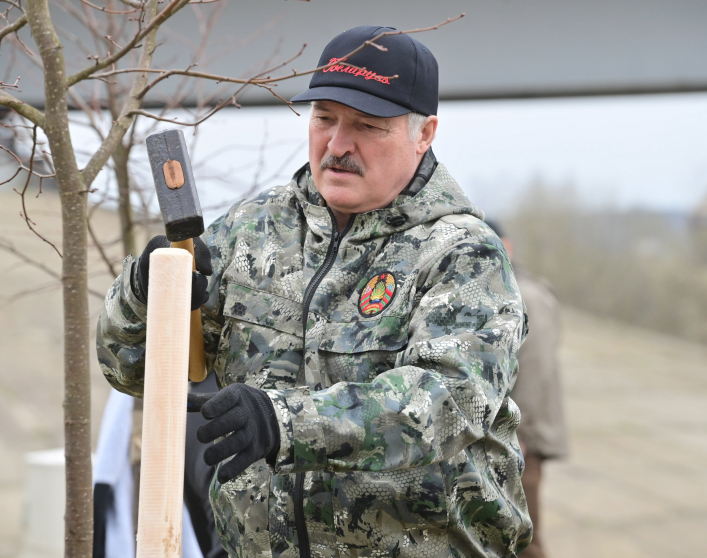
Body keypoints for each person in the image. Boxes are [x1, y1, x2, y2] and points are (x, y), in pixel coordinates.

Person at [97, 26, 532, 558]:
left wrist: (283, 422)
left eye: (368, 126)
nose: (338, 144)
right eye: (325, 118)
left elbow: (445, 407)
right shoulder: (251, 231)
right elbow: (132, 372)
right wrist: (145, 295)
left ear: (425, 134)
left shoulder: (463, 254)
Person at [487, 222, 568, 558]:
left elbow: (534, 372)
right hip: (515, 436)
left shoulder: (526, 295)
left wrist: (517, 433)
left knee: (525, 539)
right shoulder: (503, 289)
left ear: (506, 245)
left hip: (524, 440)